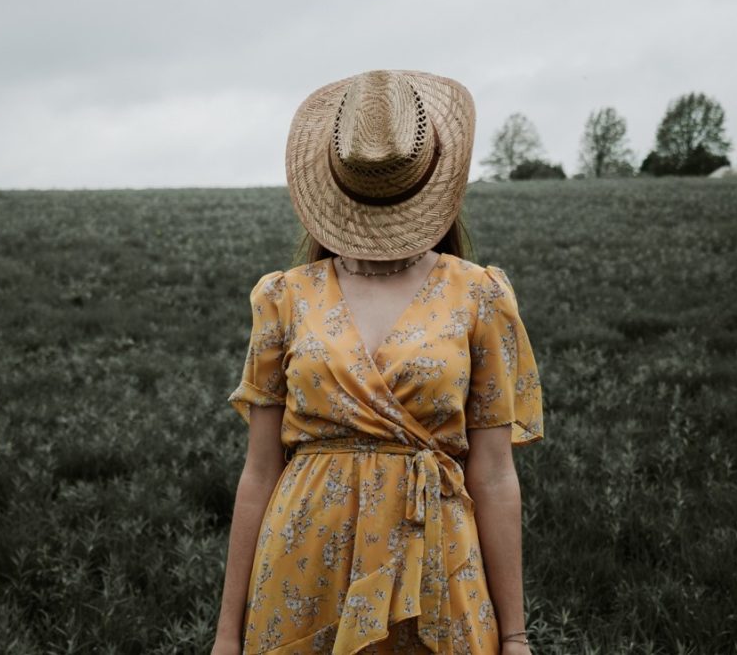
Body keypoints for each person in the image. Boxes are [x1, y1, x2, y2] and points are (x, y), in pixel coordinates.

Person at [211, 69, 544, 654]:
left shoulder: (480, 295)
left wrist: (514, 636)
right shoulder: (283, 298)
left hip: (436, 567)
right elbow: (260, 472)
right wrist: (226, 635)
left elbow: (493, 475)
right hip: (301, 570)